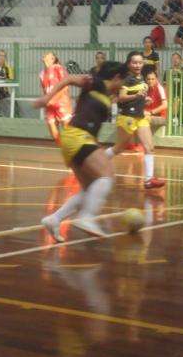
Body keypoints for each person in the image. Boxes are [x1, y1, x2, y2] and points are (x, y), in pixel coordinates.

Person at [32, 61, 129, 241]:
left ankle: (55, 219)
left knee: (90, 187)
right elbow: (68, 79)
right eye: (123, 81)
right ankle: (87, 217)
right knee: (106, 177)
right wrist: (47, 98)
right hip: (78, 136)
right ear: (116, 77)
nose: (123, 85)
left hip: (77, 139)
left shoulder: (106, 94)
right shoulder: (94, 82)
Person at [104, 51, 165, 190]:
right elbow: (121, 97)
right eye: (134, 62)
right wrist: (137, 96)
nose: (138, 65)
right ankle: (97, 162)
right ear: (129, 63)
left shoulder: (141, 77)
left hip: (140, 117)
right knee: (118, 148)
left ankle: (149, 180)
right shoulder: (127, 78)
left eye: (140, 62)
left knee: (150, 147)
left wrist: (145, 100)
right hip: (127, 117)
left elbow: (139, 96)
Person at [39, 52, 72, 145]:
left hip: (62, 103)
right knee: (54, 134)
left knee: (69, 132)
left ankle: (77, 150)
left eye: (48, 54)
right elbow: (44, 89)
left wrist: (54, 99)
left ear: (53, 58)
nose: (44, 55)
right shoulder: (41, 73)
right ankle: (65, 150)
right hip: (50, 105)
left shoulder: (58, 68)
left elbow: (65, 87)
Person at [143, 68, 167, 133]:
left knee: (142, 119)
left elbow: (165, 105)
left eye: (153, 79)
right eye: (148, 79)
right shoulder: (144, 88)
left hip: (160, 117)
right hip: (147, 115)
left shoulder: (160, 88)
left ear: (156, 79)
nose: (150, 81)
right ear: (145, 80)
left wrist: (150, 112)